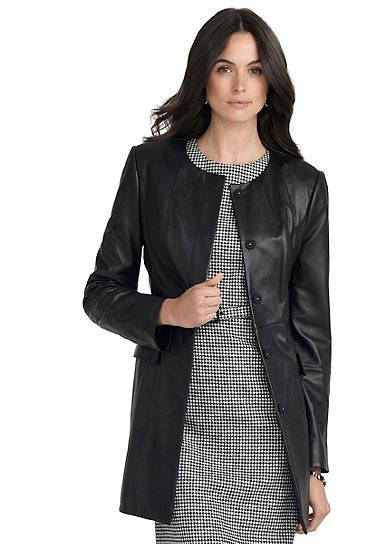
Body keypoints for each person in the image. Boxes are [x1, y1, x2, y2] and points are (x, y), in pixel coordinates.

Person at [82, 7, 332, 543]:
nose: (240, 85)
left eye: (255, 69)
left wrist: (313, 465)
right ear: (203, 76)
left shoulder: (303, 186)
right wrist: (168, 310)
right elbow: (100, 292)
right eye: (225, 68)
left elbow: (312, 338)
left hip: (270, 443)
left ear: (271, 82)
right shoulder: (151, 168)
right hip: (183, 438)